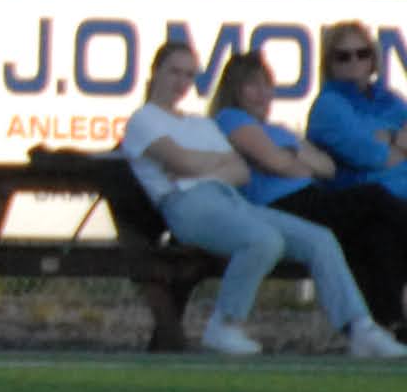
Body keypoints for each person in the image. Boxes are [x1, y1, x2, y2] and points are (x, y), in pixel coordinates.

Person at [117, 37, 404, 359]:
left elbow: (239, 171)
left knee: (319, 240)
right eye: (174, 72)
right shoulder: (144, 119)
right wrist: (211, 164)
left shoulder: (199, 124)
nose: (181, 82)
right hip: (186, 204)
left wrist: (200, 167)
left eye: (188, 74)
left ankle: (360, 328)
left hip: (229, 199)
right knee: (263, 240)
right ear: (155, 72)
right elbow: (181, 161)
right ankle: (225, 323)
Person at [207, 50, 407, 330]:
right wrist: (294, 156)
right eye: (252, 85)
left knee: (376, 234)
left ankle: (390, 325)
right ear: (235, 89)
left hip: (311, 196)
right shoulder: (231, 119)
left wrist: (290, 155)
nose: (262, 93)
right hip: (280, 204)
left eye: (266, 85)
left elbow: (327, 168)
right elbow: (277, 163)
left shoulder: (276, 129)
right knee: (373, 197)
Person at [301, 22, 407, 207]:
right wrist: (397, 139)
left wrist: (388, 138)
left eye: (362, 54)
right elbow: (370, 155)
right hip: (363, 200)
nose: (354, 62)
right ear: (330, 63)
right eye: (343, 57)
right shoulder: (328, 106)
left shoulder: (390, 99)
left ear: (372, 59)